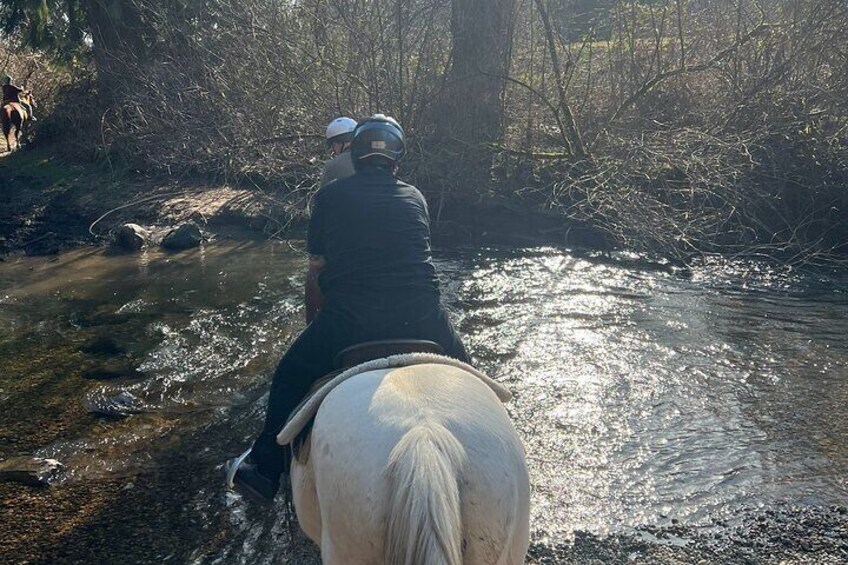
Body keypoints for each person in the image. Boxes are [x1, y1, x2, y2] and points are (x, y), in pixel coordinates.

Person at [229, 114, 471, 503]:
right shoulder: (416, 197)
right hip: (424, 315)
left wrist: (316, 324)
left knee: (289, 375)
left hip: (350, 321)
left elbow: (318, 271)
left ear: (355, 155)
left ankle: (264, 469)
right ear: (397, 159)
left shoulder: (329, 197)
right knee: (475, 379)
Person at [320, 116, 356, 186]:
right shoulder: (375, 156)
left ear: (337, 143)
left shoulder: (333, 165)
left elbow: (324, 194)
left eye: (332, 145)